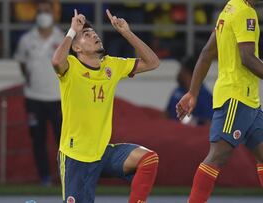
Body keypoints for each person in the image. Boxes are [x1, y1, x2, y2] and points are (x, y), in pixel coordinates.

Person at [51, 9, 160, 203]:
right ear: (77, 48)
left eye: (94, 33)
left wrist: (126, 32)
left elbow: (153, 62)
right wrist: (72, 31)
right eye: (86, 34)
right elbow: (56, 61)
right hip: (75, 156)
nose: (94, 35)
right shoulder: (71, 67)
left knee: (148, 159)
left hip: (102, 152)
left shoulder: (112, 66)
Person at [176, 0, 263, 202]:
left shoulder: (229, 8)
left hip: (248, 100)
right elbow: (247, 58)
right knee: (218, 156)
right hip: (237, 97)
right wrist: (193, 92)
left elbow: (207, 52)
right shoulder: (245, 12)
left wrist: (192, 93)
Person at [14, 0, 63, 186]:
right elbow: (22, 63)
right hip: (34, 98)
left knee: (63, 143)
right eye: (40, 11)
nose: (43, 15)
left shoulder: (62, 39)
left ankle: (65, 177)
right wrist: (31, 80)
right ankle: (45, 178)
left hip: (58, 98)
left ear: (53, 14)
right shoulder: (27, 39)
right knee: (38, 141)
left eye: (47, 11)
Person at [166, 55, 213, 125]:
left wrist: (192, 121)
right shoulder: (177, 91)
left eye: (182, 70)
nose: (179, 73)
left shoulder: (205, 96)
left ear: (192, 74)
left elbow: (209, 123)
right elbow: (167, 114)